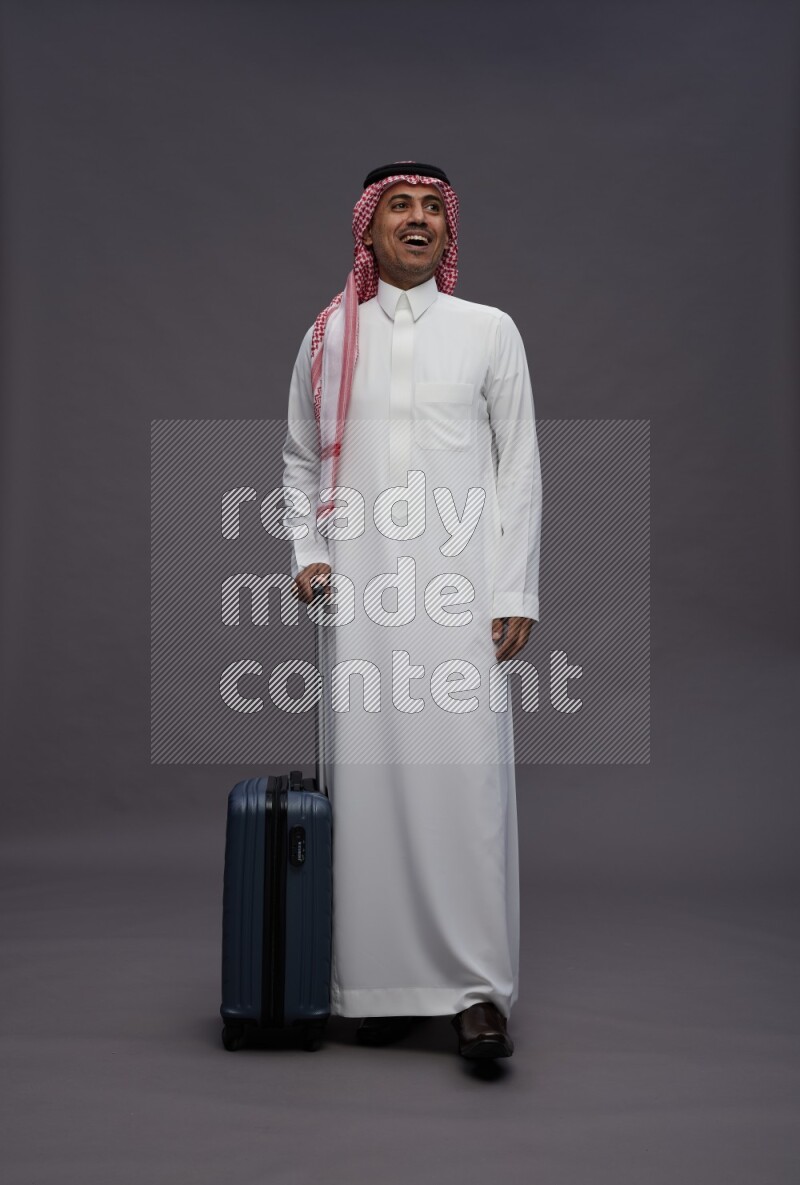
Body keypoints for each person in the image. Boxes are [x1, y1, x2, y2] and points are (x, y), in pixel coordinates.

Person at [281, 162, 542, 1059]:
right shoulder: (326, 336)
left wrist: (515, 588)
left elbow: (520, 467)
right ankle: (379, 987)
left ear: (449, 230)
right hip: (362, 597)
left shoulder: (488, 331)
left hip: (461, 593)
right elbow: (298, 459)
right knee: (371, 784)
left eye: (434, 207)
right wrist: (309, 555)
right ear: (369, 228)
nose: (420, 220)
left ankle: (477, 993)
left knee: (463, 786)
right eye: (402, 206)